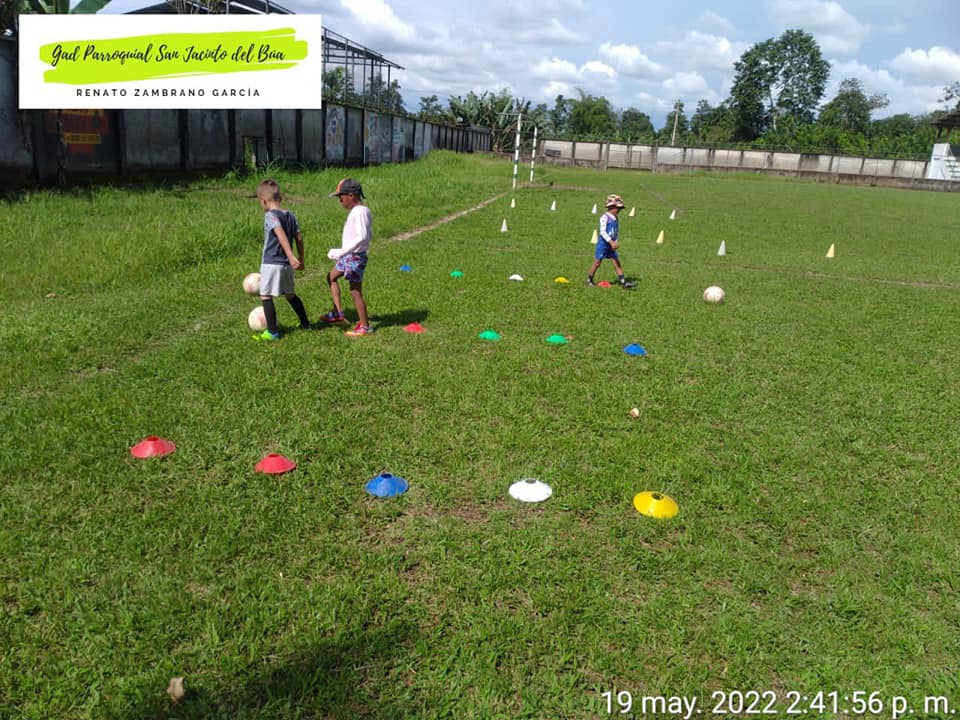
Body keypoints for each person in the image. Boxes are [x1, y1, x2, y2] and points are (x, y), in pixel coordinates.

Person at [254, 179, 310, 341]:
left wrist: (290, 255)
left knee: (265, 295)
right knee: (290, 294)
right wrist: (300, 258)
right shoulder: (291, 215)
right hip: (286, 265)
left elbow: (279, 232)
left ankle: (272, 332)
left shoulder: (270, 216)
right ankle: (305, 323)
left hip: (271, 262)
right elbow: (299, 238)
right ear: (280, 197)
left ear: (263, 201)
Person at [320, 177, 373, 337]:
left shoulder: (360, 212)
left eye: (341, 197)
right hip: (349, 256)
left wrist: (341, 252)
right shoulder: (358, 211)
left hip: (354, 257)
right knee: (331, 277)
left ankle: (365, 327)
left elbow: (362, 236)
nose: (340, 201)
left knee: (355, 291)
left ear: (351, 195)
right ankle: (337, 313)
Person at [587, 194, 635, 289]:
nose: (619, 210)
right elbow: (603, 232)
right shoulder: (605, 217)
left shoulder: (616, 218)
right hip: (603, 244)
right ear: (611, 207)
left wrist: (615, 242)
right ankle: (589, 280)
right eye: (618, 208)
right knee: (597, 263)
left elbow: (615, 232)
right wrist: (611, 242)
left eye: (620, 208)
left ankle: (623, 283)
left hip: (611, 245)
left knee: (616, 263)